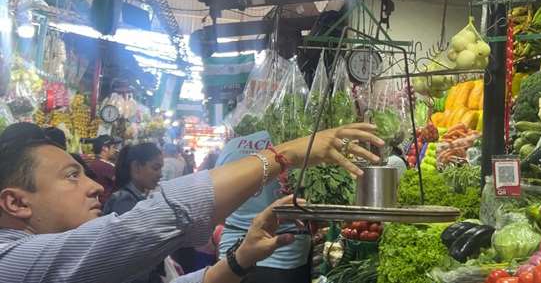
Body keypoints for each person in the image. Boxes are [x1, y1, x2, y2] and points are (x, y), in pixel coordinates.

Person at [0, 121, 382, 283]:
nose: (95, 186)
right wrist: (282, 155)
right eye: (71, 176)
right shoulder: (10, 263)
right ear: (16, 203)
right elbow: (143, 226)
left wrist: (240, 258)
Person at [216, 131, 311, 283]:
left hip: (233, 255)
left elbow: (218, 199)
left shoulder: (231, 146)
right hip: (284, 255)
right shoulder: (299, 144)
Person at [103, 142, 166, 283]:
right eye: (155, 168)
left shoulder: (134, 198)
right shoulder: (124, 202)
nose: (160, 174)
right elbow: (129, 256)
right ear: (136, 167)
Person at [88, 135, 119, 201]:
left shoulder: (92, 163)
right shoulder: (108, 167)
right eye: (113, 147)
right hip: (105, 206)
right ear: (105, 148)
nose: (115, 150)